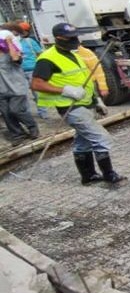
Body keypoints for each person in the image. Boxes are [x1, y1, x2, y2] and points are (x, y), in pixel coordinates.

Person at [30, 23, 125, 185]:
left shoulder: (74, 54)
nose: (74, 41)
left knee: (83, 140)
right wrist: (65, 90)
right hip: (70, 107)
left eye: (75, 37)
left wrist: (97, 100)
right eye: (69, 38)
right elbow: (36, 84)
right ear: (58, 38)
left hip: (85, 103)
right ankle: (109, 175)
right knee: (100, 138)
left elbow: (84, 80)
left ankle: (88, 176)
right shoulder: (47, 59)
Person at [1, 26, 39, 146]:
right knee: (6, 113)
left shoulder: (11, 53)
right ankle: (17, 135)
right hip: (1, 90)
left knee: (16, 110)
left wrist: (9, 42)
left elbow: (16, 58)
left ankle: (32, 127)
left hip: (16, 88)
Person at [17, 22, 47, 119]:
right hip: (19, 71)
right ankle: (27, 114)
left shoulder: (30, 41)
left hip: (32, 70)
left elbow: (40, 54)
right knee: (23, 94)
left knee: (37, 93)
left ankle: (43, 113)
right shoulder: (15, 42)